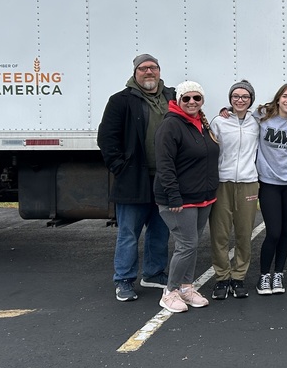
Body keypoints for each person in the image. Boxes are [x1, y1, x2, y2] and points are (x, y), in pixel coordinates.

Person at [97, 53, 174, 303]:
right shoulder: (121, 100)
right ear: (135, 73)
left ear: (160, 71)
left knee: (160, 230)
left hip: (164, 179)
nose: (149, 72)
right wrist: (120, 166)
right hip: (134, 178)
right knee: (129, 232)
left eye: (153, 67)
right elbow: (107, 138)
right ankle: (124, 280)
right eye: (143, 68)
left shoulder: (172, 97)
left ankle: (153, 273)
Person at [154, 81, 220, 313]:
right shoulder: (171, 125)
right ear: (178, 101)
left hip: (202, 197)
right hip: (180, 199)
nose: (192, 102)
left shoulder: (201, 124)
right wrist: (173, 196)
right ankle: (169, 292)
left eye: (197, 98)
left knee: (192, 245)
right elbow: (164, 165)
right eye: (187, 98)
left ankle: (186, 287)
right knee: (187, 244)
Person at [207, 80, 259, 300]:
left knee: (244, 233)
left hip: (248, 182)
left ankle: (238, 277)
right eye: (236, 96)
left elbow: (278, 109)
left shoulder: (257, 122)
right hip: (222, 182)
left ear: (251, 101)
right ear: (230, 100)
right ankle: (221, 278)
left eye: (245, 97)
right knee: (219, 234)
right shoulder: (219, 121)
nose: (240, 100)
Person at [255, 84, 287, 296]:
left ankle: (279, 274)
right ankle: (264, 275)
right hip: (269, 183)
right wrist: (226, 111)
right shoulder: (262, 116)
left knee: (285, 232)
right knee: (273, 232)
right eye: (285, 96)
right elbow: (239, 112)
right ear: (278, 98)